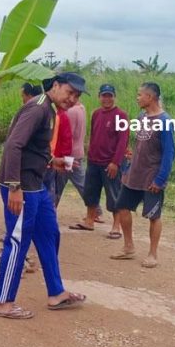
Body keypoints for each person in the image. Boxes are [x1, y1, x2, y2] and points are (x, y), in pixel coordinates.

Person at [0, 72, 88, 319]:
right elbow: (13, 145)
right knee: (18, 242)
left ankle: (56, 293)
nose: (72, 99)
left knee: (49, 235)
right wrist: (13, 186)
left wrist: (54, 161)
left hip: (37, 185)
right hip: (22, 187)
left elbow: (35, 149)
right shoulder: (38, 109)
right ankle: (1, 303)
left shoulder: (51, 111)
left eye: (76, 96)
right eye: (69, 92)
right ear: (55, 86)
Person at [110, 82, 175, 268]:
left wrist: (160, 179)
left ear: (150, 97)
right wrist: (128, 168)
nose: (137, 98)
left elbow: (169, 153)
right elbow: (139, 146)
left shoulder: (165, 121)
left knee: (153, 216)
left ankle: (152, 254)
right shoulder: (141, 116)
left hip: (152, 177)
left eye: (140, 95)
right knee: (122, 206)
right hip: (134, 174)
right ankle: (128, 247)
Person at [70, 84, 129, 237]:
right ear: (99, 97)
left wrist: (115, 162)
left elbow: (123, 142)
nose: (107, 99)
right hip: (93, 161)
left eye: (110, 95)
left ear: (114, 97)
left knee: (114, 195)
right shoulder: (96, 113)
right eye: (104, 95)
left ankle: (116, 226)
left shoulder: (121, 115)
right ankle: (89, 221)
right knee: (90, 192)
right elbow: (94, 134)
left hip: (110, 163)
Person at [54, 99, 88, 208]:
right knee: (79, 183)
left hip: (69, 155)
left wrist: (63, 156)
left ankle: (95, 210)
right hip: (76, 152)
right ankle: (95, 210)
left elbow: (68, 136)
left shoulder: (71, 112)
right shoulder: (81, 108)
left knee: (58, 184)